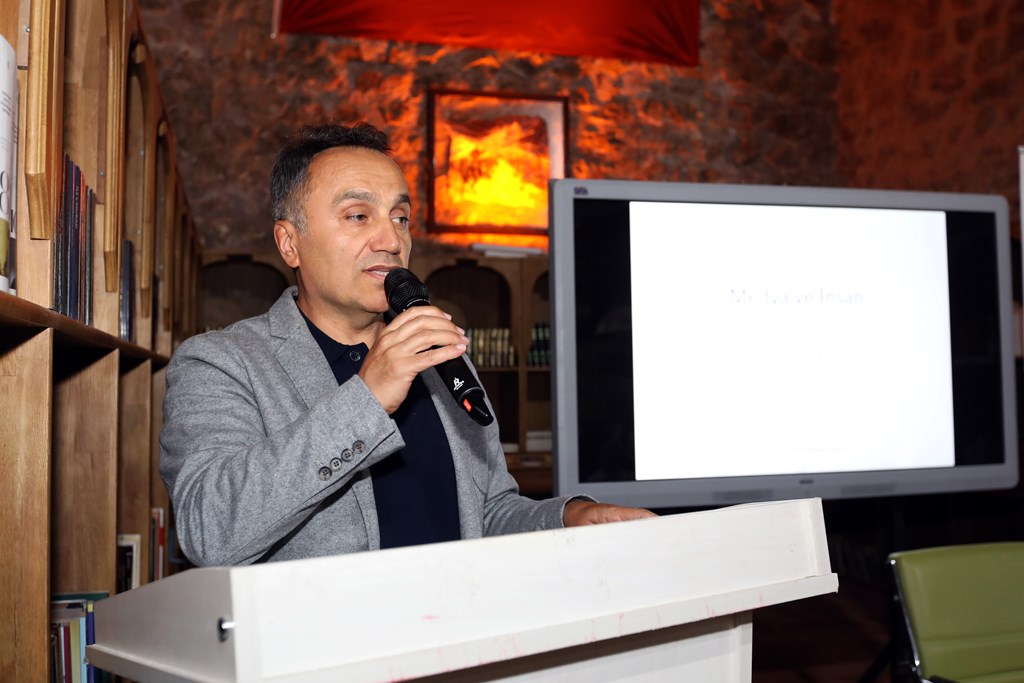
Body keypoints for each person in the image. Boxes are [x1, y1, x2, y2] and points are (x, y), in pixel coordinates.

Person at [159, 122, 654, 567]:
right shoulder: (221, 363)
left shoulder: (439, 355)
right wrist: (369, 397)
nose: (391, 240)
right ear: (290, 243)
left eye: (400, 217)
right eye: (358, 216)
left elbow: (485, 513)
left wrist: (568, 519)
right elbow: (209, 531)